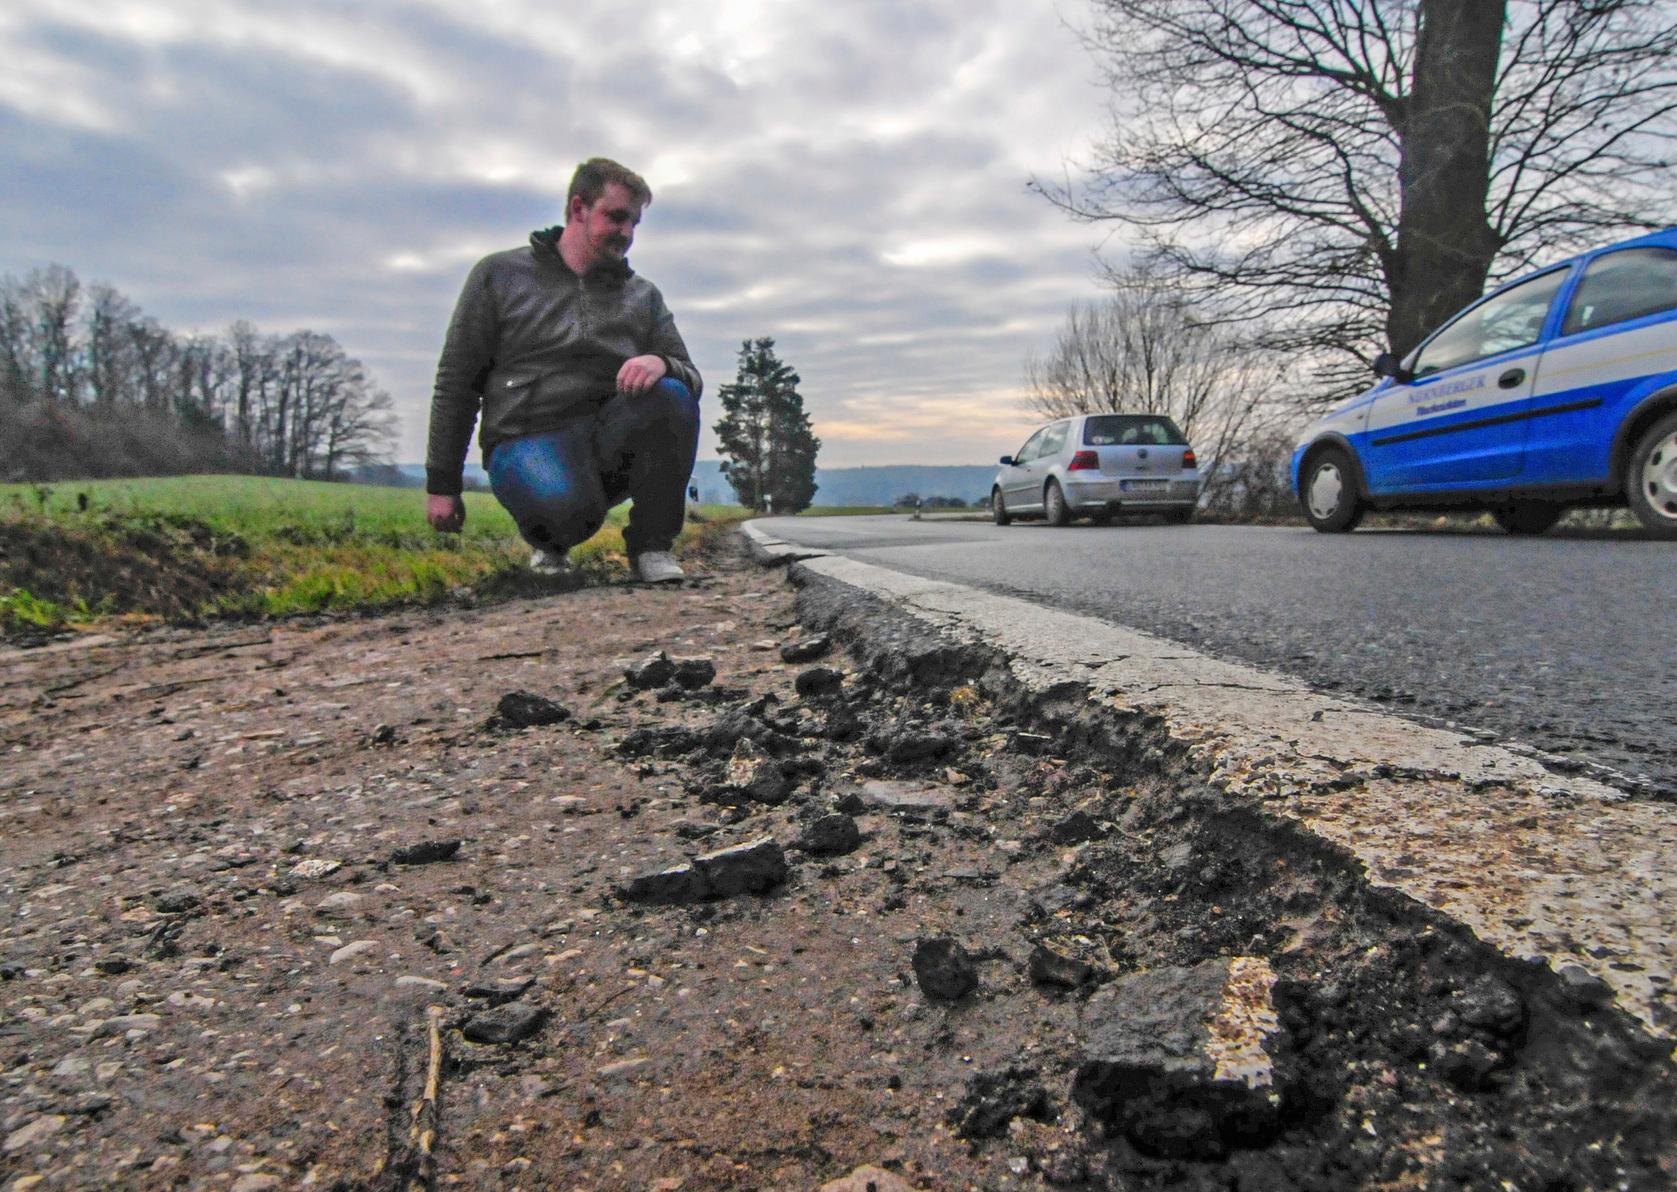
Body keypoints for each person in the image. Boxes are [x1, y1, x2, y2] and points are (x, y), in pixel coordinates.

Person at [424, 157, 702, 583]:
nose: (626, 234)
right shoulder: (498, 276)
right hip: (525, 439)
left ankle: (651, 547)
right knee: (566, 511)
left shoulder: (643, 297)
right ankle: (552, 540)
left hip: (605, 436)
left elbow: (691, 376)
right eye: (617, 217)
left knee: (672, 394)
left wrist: (661, 362)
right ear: (578, 208)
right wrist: (443, 484)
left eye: (635, 224)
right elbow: (457, 381)